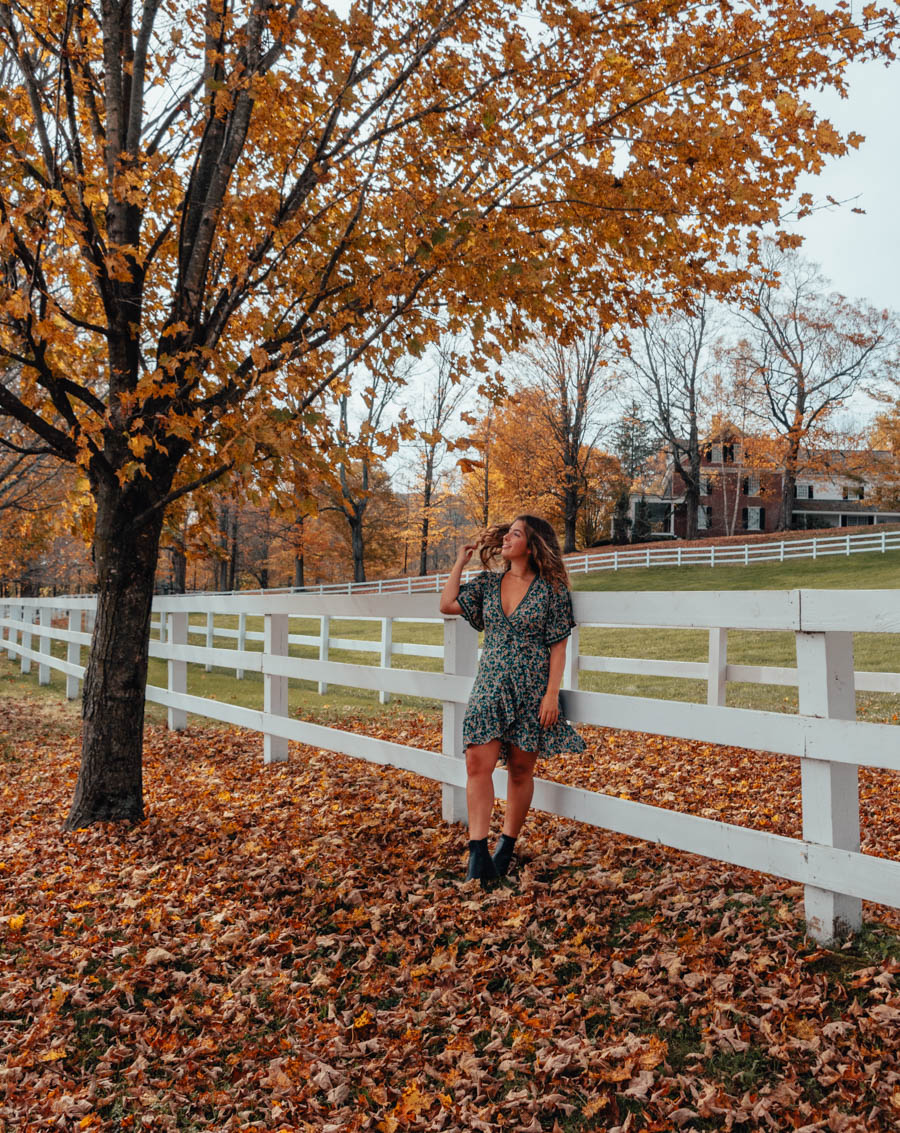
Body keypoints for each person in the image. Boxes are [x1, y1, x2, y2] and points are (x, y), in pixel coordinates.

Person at [439, 515, 585, 884]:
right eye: (506, 533)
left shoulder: (551, 590)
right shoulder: (488, 583)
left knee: (520, 770)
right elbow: (448, 604)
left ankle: (505, 847)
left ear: (531, 546)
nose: (506, 538)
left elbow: (558, 648)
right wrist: (460, 561)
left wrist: (551, 695)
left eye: (515, 534)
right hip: (490, 685)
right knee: (477, 763)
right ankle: (476, 852)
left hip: (532, 689)